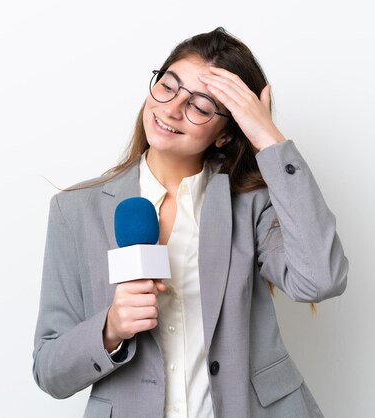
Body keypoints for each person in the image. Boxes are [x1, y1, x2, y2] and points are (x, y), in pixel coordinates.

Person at [33, 27, 348, 418]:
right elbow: (49, 370)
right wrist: (110, 328)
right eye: (168, 86)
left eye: (199, 106)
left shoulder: (250, 204)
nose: (171, 109)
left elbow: (322, 278)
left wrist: (268, 139)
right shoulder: (74, 211)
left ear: (225, 134)